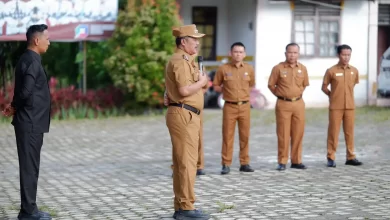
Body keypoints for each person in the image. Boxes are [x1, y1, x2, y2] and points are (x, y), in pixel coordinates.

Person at [2, 24, 51, 220]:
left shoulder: (30, 59)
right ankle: (28, 213)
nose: (49, 41)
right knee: (29, 168)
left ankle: (29, 209)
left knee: (31, 167)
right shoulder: (31, 61)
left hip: (31, 122)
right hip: (29, 123)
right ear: (37, 40)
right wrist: (14, 107)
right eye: (47, 38)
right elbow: (26, 92)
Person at [164, 24, 210, 219]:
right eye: (194, 39)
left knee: (184, 162)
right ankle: (186, 207)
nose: (198, 43)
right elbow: (183, 91)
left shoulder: (187, 60)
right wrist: (201, 82)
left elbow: (174, 88)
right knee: (187, 163)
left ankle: (182, 206)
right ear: (183, 42)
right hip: (184, 115)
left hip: (187, 114)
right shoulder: (181, 61)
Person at [213, 42, 255, 175]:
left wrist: (243, 93)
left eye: (241, 52)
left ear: (244, 54)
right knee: (227, 136)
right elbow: (216, 85)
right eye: (235, 51)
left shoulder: (249, 69)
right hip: (229, 106)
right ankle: (226, 164)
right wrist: (226, 92)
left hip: (244, 106)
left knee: (245, 135)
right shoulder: (223, 69)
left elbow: (252, 85)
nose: (238, 54)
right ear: (230, 53)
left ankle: (244, 163)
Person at [267, 43, 309, 171]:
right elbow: (271, 85)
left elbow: (304, 84)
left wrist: (296, 94)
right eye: (290, 52)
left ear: (299, 54)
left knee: (298, 133)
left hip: (298, 104)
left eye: (295, 53)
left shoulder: (303, 68)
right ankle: (282, 161)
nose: (292, 55)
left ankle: (296, 161)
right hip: (283, 104)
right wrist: (280, 95)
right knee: (283, 134)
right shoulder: (278, 68)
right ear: (285, 53)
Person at [321, 44, 363, 167]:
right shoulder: (331, 71)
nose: (346, 57)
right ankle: (331, 157)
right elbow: (324, 87)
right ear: (338, 55)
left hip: (350, 106)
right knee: (333, 132)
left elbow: (353, 85)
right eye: (344, 55)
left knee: (349, 132)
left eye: (348, 55)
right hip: (336, 107)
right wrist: (332, 96)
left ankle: (350, 157)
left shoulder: (354, 71)